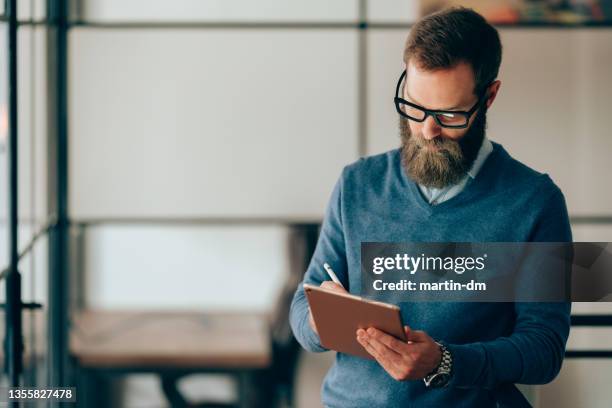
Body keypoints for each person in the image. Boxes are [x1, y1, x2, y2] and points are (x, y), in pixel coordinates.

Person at [289, 7, 571, 408]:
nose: (426, 130)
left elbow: (544, 350)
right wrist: (320, 318)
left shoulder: (535, 202)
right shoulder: (357, 184)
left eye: (450, 115)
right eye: (414, 106)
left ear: (488, 97)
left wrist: (448, 362)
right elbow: (303, 305)